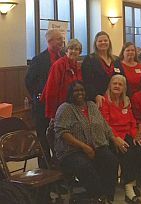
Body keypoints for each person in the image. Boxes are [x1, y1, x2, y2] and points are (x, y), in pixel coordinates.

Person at [53, 82, 119, 203]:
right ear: (70, 93)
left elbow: (104, 125)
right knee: (85, 166)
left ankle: (108, 196)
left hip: (96, 145)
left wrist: (114, 139)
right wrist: (84, 147)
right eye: (76, 91)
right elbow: (62, 132)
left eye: (82, 90)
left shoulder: (92, 105)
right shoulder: (66, 108)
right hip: (71, 151)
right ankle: (99, 196)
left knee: (111, 160)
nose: (80, 93)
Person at [97, 75, 141, 203]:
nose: (117, 86)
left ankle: (131, 182)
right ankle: (129, 190)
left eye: (120, 84)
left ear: (124, 87)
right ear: (110, 85)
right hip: (111, 136)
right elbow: (105, 124)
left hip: (127, 134)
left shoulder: (126, 101)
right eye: (115, 83)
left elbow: (131, 121)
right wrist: (116, 138)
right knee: (128, 153)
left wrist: (136, 135)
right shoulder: (104, 101)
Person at [27, 30, 66, 162]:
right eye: (59, 39)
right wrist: (38, 95)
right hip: (42, 106)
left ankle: (60, 170)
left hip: (60, 105)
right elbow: (29, 81)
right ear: (50, 41)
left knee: (59, 137)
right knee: (43, 138)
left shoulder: (63, 57)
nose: (62, 41)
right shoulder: (38, 60)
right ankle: (45, 169)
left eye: (62, 39)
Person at [43, 39, 82, 120]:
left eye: (76, 49)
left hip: (75, 107)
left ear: (80, 52)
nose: (73, 51)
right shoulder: (58, 65)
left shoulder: (78, 66)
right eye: (71, 48)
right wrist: (53, 114)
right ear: (66, 50)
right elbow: (51, 90)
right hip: (61, 107)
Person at [82, 31, 124, 105]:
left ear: (109, 43)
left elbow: (123, 78)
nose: (103, 42)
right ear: (96, 43)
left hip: (116, 98)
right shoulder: (89, 59)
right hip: (98, 99)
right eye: (100, 41)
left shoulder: (116, 60)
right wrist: (95, 95)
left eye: (105, 40)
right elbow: (87, 81)